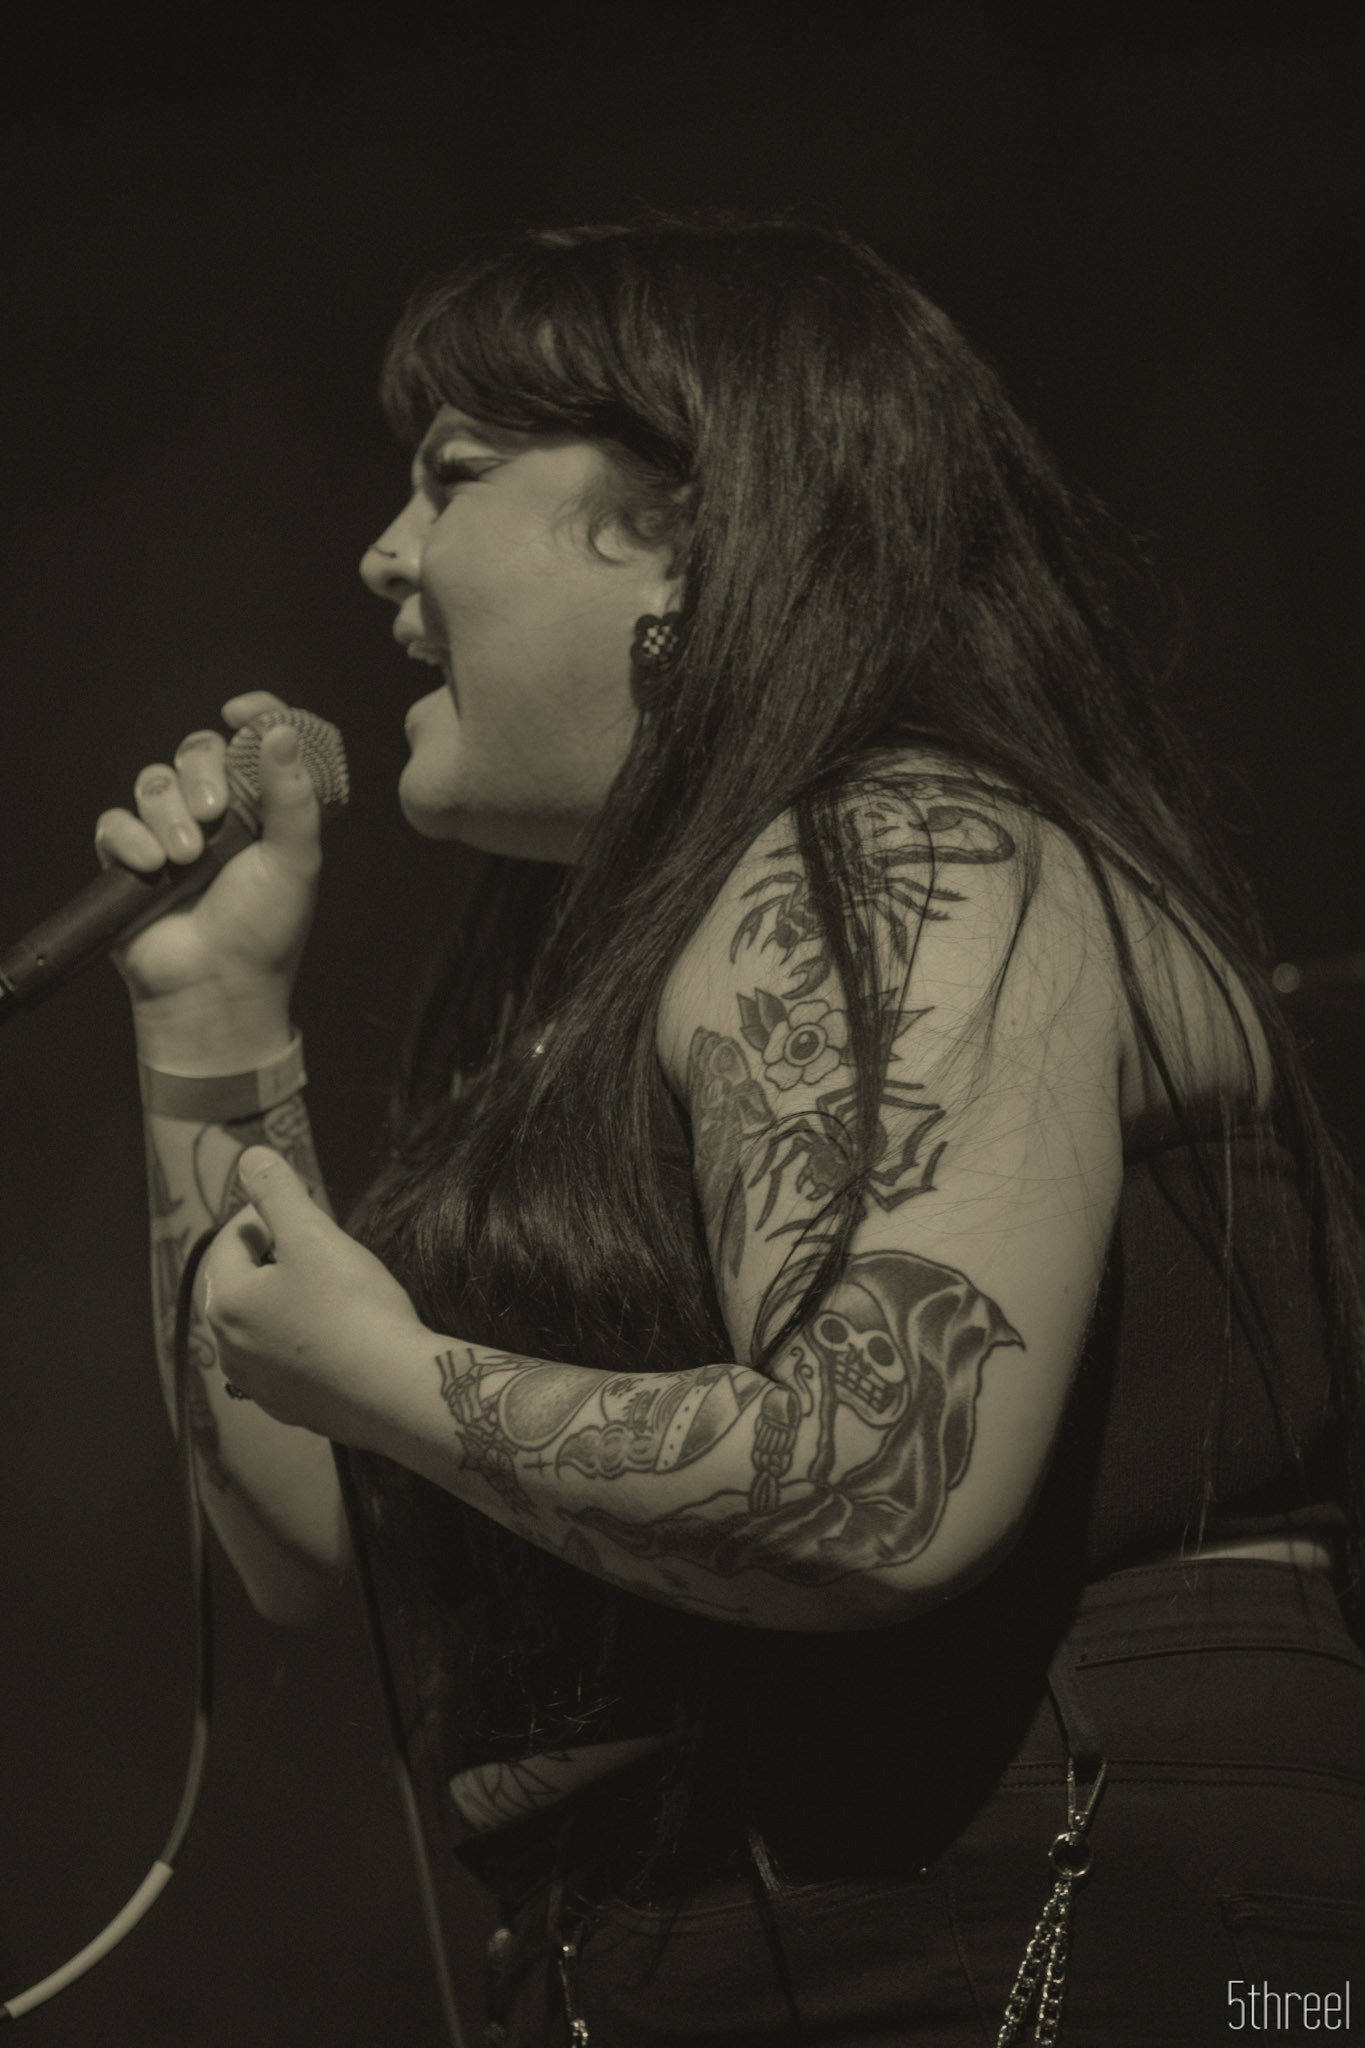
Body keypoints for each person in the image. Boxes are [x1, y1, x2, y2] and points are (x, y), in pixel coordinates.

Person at [96, 216, 1365, 2045]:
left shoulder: (903, 851)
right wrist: (211, 1017)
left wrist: (391, 1369)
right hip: (708, 1934)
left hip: (1022, 1895)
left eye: (453, 473)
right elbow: (312, 1537)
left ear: (687, 528)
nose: (383, 554)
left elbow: (875, 1486)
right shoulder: (616, 958)